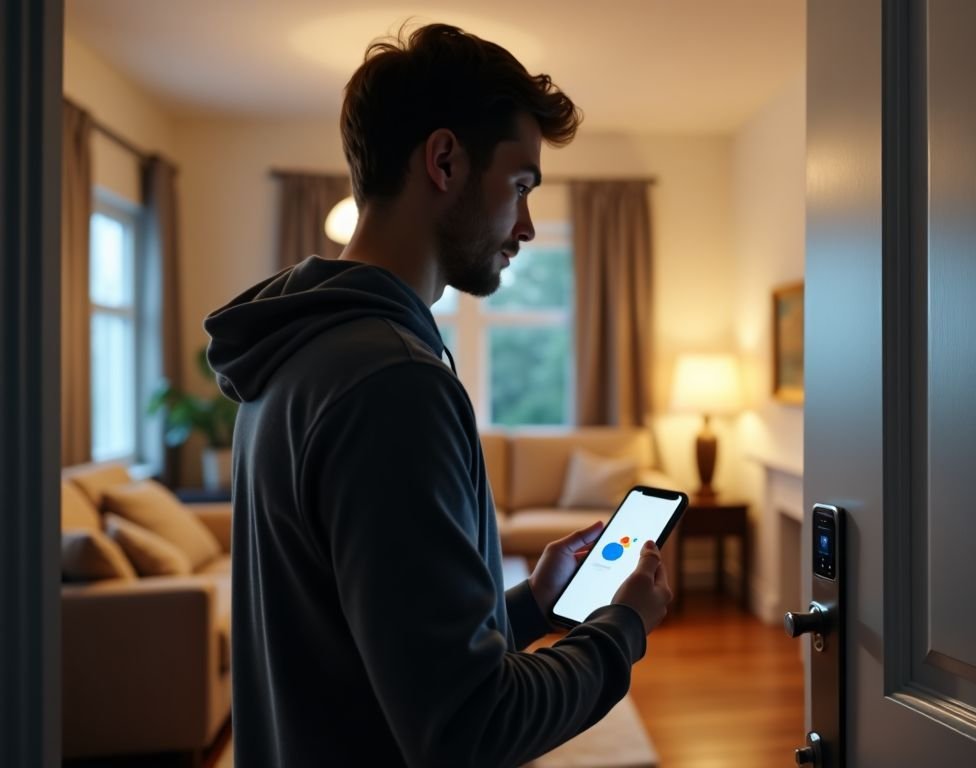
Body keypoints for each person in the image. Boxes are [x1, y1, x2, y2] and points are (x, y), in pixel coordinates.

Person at [204, 24, 673, 767]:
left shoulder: (295, 352)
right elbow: (470, 728)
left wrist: (532, 606)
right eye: (520, 186)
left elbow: (377, 655)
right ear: (446, 160)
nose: (525, 226)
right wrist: (622, 628)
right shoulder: (393, 384)